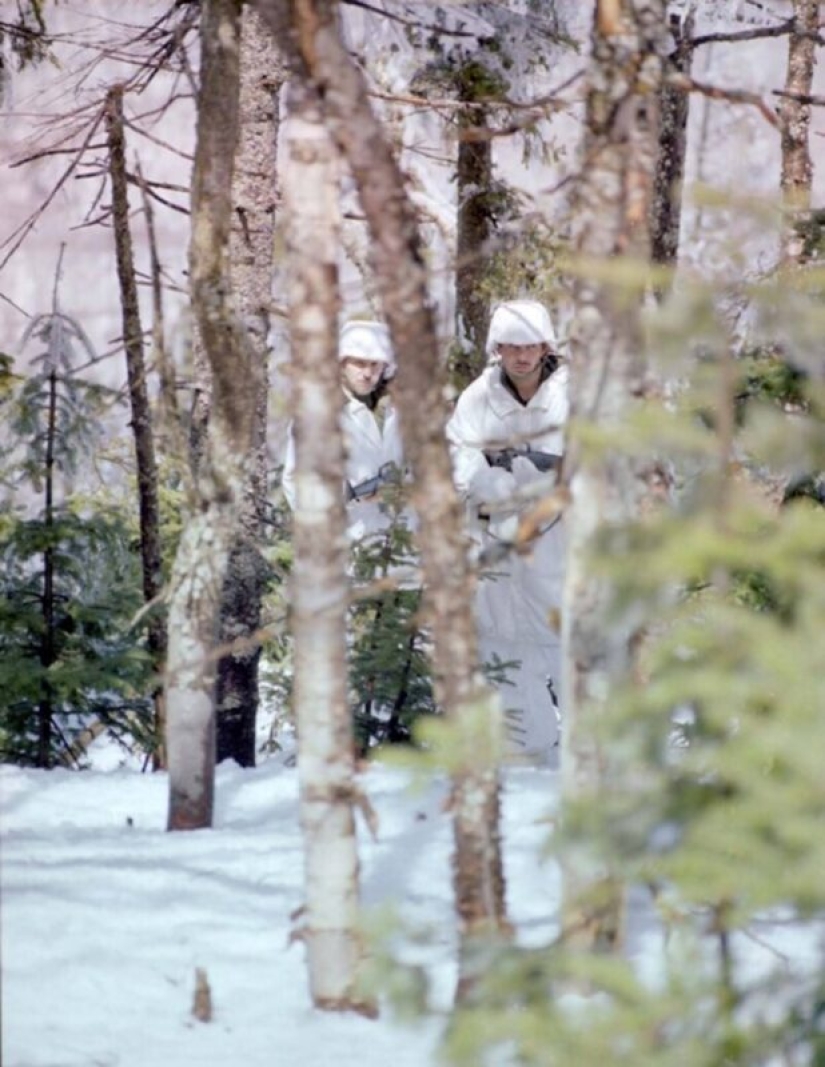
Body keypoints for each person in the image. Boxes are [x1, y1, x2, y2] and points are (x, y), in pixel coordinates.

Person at [447, 299, 568, 764]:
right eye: (511, 346)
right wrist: (481, 478)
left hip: (557, 538)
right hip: (495, 535)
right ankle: (527, 749)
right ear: (497, 348)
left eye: (530, 345)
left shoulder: (570, 394)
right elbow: (456, 447)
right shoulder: (478, 397)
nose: (521, 356)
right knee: (503, 640)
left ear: (544, 346)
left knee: (566, 638)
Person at [282, 319, 411, 545]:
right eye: (359, 364)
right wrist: (353, 495)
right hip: (346, 544)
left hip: (400, 542)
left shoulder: (398, 411)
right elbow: (297, 484)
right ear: (342, 364)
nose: (368, 373)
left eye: (375, 364)